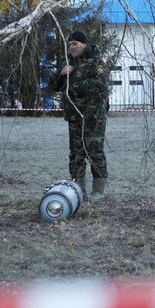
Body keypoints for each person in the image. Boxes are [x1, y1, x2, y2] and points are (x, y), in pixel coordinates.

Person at [51, 30, 108, 202]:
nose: (72, 47)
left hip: (93, 116)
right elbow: (53, 86)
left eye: (75, 44)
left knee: (94, 151)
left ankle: (98, 191)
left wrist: (73, 83)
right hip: (74, 116)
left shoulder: (96, 61)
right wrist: (61, 74)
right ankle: (78, 189)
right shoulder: (67, 63)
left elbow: (99, 85)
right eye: (69, 44)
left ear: (84, 44)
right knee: (75, 153)